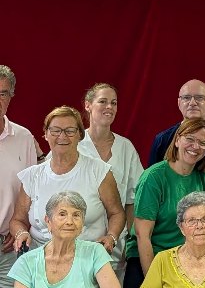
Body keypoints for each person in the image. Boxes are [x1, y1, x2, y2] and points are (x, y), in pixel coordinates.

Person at [123, 117, 205, 288]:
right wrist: (154, 284)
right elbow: (142, 235)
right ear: (177, 140)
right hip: (153, 257)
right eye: (190, 139)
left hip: (191, 259)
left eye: (202, 143)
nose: (195, 146)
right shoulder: (154, 177)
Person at [10, 105, 125, 256]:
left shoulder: (99, 171)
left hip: (88, 257)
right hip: (39, 258)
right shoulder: (31, 176)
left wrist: (111, 237)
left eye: (70, 131)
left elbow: (117, 213)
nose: (62, 136)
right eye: (55, 130)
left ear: (80, 135)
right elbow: (18, 220)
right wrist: (21, 233)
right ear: (46, 134)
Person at [79, 82, 143, 281]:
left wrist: (131, 240)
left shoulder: (125, 147)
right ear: (88, 105)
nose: (109, 107)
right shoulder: (74, 145)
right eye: (103, 101)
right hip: (79, 241)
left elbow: (133, 198)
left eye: (114, 103)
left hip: (115, 244)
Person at [148, 79, 205, 181]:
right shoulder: (162, 140)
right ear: (179, 103)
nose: (192, 103)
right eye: (186, 98)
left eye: (199, 98)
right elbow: (153, 177)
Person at [0, 65, 37, 288]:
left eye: (2, 93)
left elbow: (33, 190)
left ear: (11, 97)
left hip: (9, 245)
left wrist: (19, 226)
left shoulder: (24, 137)